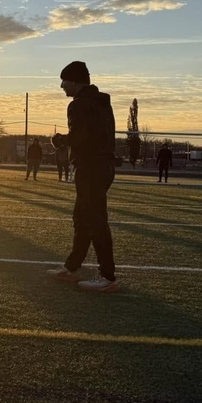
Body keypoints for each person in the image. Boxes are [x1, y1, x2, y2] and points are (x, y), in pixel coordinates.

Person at [47, 61, 119, 293]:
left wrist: (60, 141)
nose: (61, 86)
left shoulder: (79, 105)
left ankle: (107, 276)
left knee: (95, 220)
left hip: (90, 167)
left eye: (65, 81)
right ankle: (73, 267)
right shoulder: (102, 103)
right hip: (104, 166)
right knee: (83, 217)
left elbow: (80, 137)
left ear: (76, 81)